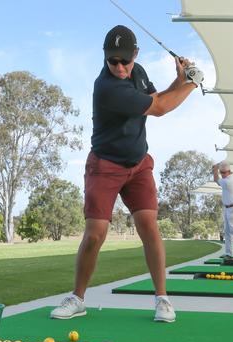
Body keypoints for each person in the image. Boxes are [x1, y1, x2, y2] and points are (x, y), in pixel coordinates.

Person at [50, 25, 203, 323]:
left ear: (136, 54)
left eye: (125, 60)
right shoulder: (107, 86)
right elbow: (159, 109)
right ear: (106, 58)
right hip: (105, 165)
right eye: (113, 61)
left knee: (149, 225)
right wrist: (194, 83)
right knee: (96, 234)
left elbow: (157, 97)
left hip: (138, 163)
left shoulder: (139, 72)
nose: (119, 67)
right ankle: (77, 298)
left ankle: (162, 299)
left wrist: (181, 79)